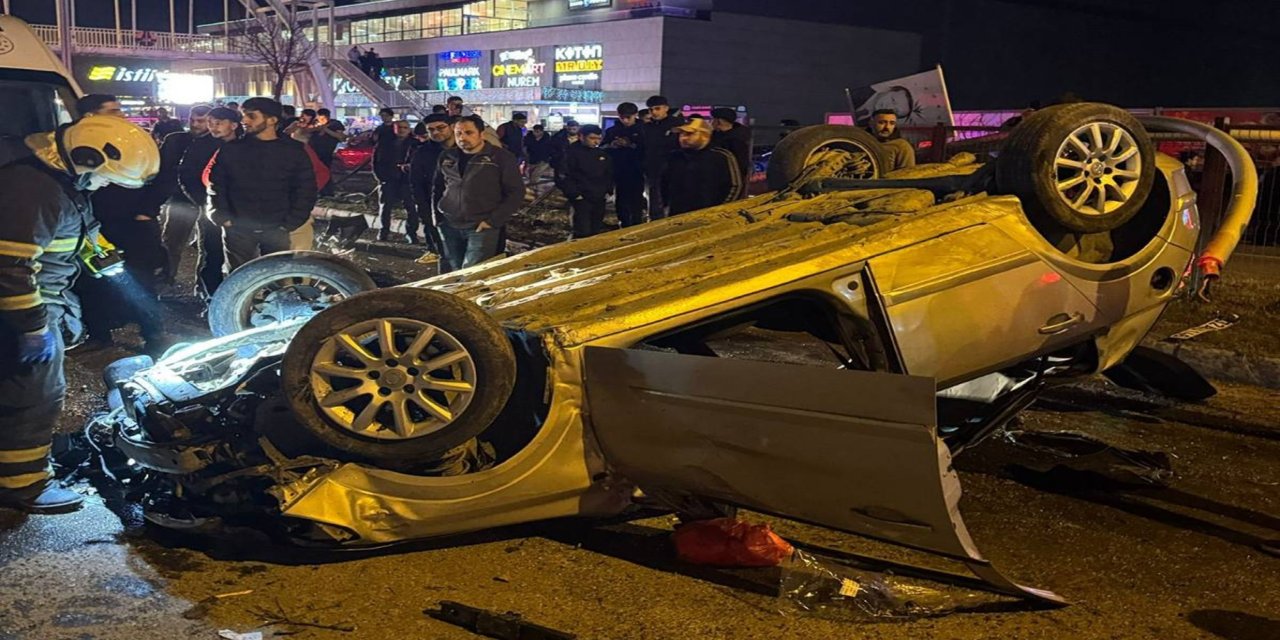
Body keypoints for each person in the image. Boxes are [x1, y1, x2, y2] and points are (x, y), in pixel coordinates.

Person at [0, 116, 158, 513]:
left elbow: (75, 229)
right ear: (87, 157)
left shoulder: (59, 182)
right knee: (34, 395)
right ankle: (23, 485)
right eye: (105, 177)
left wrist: (99, 254)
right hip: (23, 308)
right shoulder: (34, 190)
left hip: (36, 302)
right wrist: (33, 327)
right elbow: (10, 267)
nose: (103, 185)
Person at [77, 97, 170, 353]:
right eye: (113, 111)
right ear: (90, 117)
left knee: (141, 281)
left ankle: (153, 335)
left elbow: (163, 177)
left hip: (135, 225)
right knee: (91, 281)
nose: (121, 115)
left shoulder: (134, 140)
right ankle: (98, 334)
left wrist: (146, 211)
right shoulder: (78, 143)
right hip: (96, 225)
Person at [207, 97, 317, 271]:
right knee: (238, 277)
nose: (244, 121)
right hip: (238, 227)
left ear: (272, 120)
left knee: (275, 277)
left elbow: (306, 189)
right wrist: (222, 216)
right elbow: (216, 185)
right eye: (244, 115)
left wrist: (290, 223)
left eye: (251, 116)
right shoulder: (231, 149)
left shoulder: (293, 151)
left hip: (277, 227)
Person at [432, 115, 523, 271]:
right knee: (454, 270)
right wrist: (437, 216)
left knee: (472, 272)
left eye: (469, 132)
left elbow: (516, 192)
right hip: (449, 223)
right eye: (458, 133)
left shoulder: (500, 157)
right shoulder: (447, 156)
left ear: (481, 134)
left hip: (481, 226)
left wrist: (493, 221)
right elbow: (438, 187)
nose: (462, 138)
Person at [153, 104, 211, 283]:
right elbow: (162, 169)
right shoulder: (175, 140)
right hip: (182, 199)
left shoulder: (217, 142)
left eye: (200, 121)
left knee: (207, 247)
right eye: (192, 120)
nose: (195, 124)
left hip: (206, 200)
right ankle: (167, 278)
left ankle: (202, 286)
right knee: (172, 242)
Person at [189, 107, 240, 299]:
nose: (213, 127)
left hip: (240, 209)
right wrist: (203, 202)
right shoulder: (202, 146)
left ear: (234, 125)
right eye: (210, 123)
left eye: (218, 123)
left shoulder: (246, 145)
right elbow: (188, 176)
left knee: (239, 255)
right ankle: (211, 297)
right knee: (212, 253)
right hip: (211, 208)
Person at [662, 116, 740, 216]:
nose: (683, 138)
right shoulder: (674, 157)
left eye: (690, 134)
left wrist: (720, 210)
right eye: (681, 133)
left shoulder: (721, 157)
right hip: (677, 214)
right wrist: (666, 205)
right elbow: (664, 183)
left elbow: (734, 185)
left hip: (709, 216)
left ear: (704, 135)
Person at [408, 115, 452, 260]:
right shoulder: (422, 152)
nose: (436, 132)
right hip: (435, 207)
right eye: (431, 130)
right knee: (445, 255)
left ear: (451, 127)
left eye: (440, 128)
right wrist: (423, 208)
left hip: (466, 210)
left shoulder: (464, 149)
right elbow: (416, 182)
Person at [560, 124, 613, 238]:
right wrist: (574, 194)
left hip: (599, 196)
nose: (596, 142)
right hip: (582, 197)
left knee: (596, 228)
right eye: (592, 138)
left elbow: (608, 173)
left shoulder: (601, 154)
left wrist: (608, 190)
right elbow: (565, 175)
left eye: (599, 138)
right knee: (582, 230)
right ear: (581, 137)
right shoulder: (570, 153)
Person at [641, 95, 685, 220]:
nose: (654, 112)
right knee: (655, 200)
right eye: (651, 109)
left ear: (666, 108)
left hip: (674, 168)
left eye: (657, 108)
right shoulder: (647, 127)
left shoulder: (678, 125)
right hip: (653, 168)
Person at [603, 102, 647, 227]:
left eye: (628, 117)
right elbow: (603, 148)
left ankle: (637, 223)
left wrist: (631, 145)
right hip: (619, 170)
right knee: (621, 199)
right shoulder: (612, 131)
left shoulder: (644, 130)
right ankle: (623, 223)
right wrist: (612, 145)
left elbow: (648, 149)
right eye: (622, 117)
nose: (625, 120)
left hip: (638, 170)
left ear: (635, 115)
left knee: (636, 198)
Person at [374, 120, 417, 243]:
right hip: (388, 179)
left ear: (409, 129)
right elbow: (376, 161)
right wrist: (381, 178)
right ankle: (384, 232)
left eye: (405, 127)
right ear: (394, 128)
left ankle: (411, 233)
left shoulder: (414, 144)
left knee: (411, 208)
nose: (402, 130)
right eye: (399, 127)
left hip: (407, 180)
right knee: (385, 207)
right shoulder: (384, 143)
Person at [710, 107, 751, 199]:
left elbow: (740, 165)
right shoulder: (715, 135)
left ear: (719, 121)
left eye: (713, 119)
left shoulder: (736, 140)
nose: (711, 122)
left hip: (726, 183)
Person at [308, 108, 347, 196]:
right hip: (313, 152)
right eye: (320, 119)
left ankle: (327, 192)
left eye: (323, 119)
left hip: (326, 152)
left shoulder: (334, 124)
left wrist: (325, 129)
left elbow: (341, 137)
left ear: (328, 117)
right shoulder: (315, 124)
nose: (321, 121)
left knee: (325, 172)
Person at [524, 124, 555, 195]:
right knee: (531, 175)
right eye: (535, 131)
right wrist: (526, 156)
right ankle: (534, 188)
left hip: (544, 160)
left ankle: (533, 189)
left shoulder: (547, 138)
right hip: (532, 159)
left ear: (542, 131)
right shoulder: (529, 138)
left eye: (538, 132)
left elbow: (551, 149)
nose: (536, 133)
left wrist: (550, 156)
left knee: (535, 175)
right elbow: (525, 148)